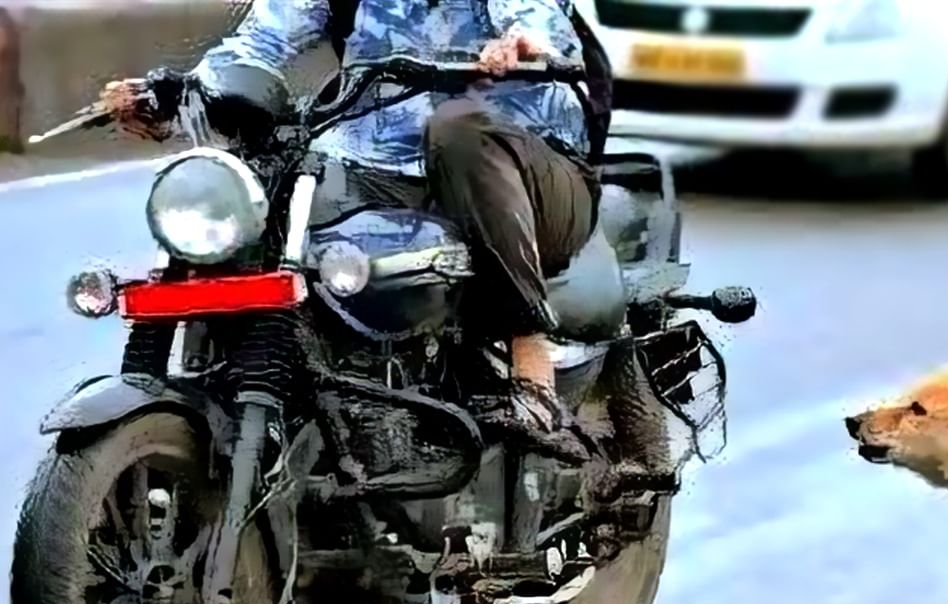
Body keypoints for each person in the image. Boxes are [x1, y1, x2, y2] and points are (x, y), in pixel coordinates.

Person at [101, 0, 618, 466]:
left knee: (457, 128)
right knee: (263, 194)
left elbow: (539, 23)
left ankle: (531, 368)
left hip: (528, 171)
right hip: (377, 169)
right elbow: (262, 41)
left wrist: (522, 43)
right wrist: (170, 94)